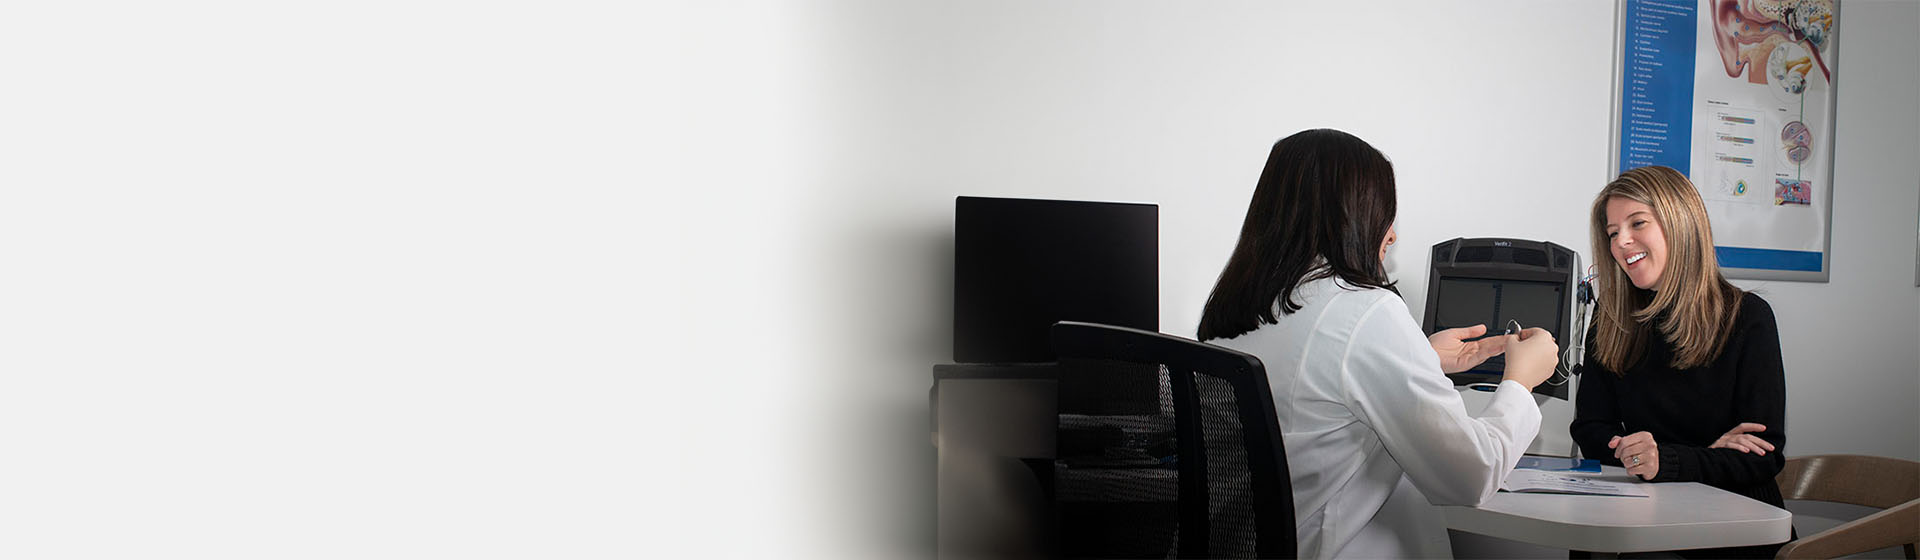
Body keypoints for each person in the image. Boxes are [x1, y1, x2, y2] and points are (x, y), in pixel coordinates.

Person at [1197, 129, 1561, 559]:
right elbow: (1470, 475)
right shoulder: (1363, 310)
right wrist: (1520, 382)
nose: (1391, 235)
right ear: (1350, 216)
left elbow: (1315, 391)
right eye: (1382, 211)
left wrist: (1420, 357)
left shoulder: (1235, 310)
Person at [1570, 165, 1790, 559]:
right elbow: (1590, 430)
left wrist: (1667, 459)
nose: (1622, 242)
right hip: (1647, 513)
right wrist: (1685, 454)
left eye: (1637, 223)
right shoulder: (1611, 318)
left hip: (1734, 526)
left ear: (1681, 224)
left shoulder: (1747, 317)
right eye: (1613, 233)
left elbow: (1762, 456)